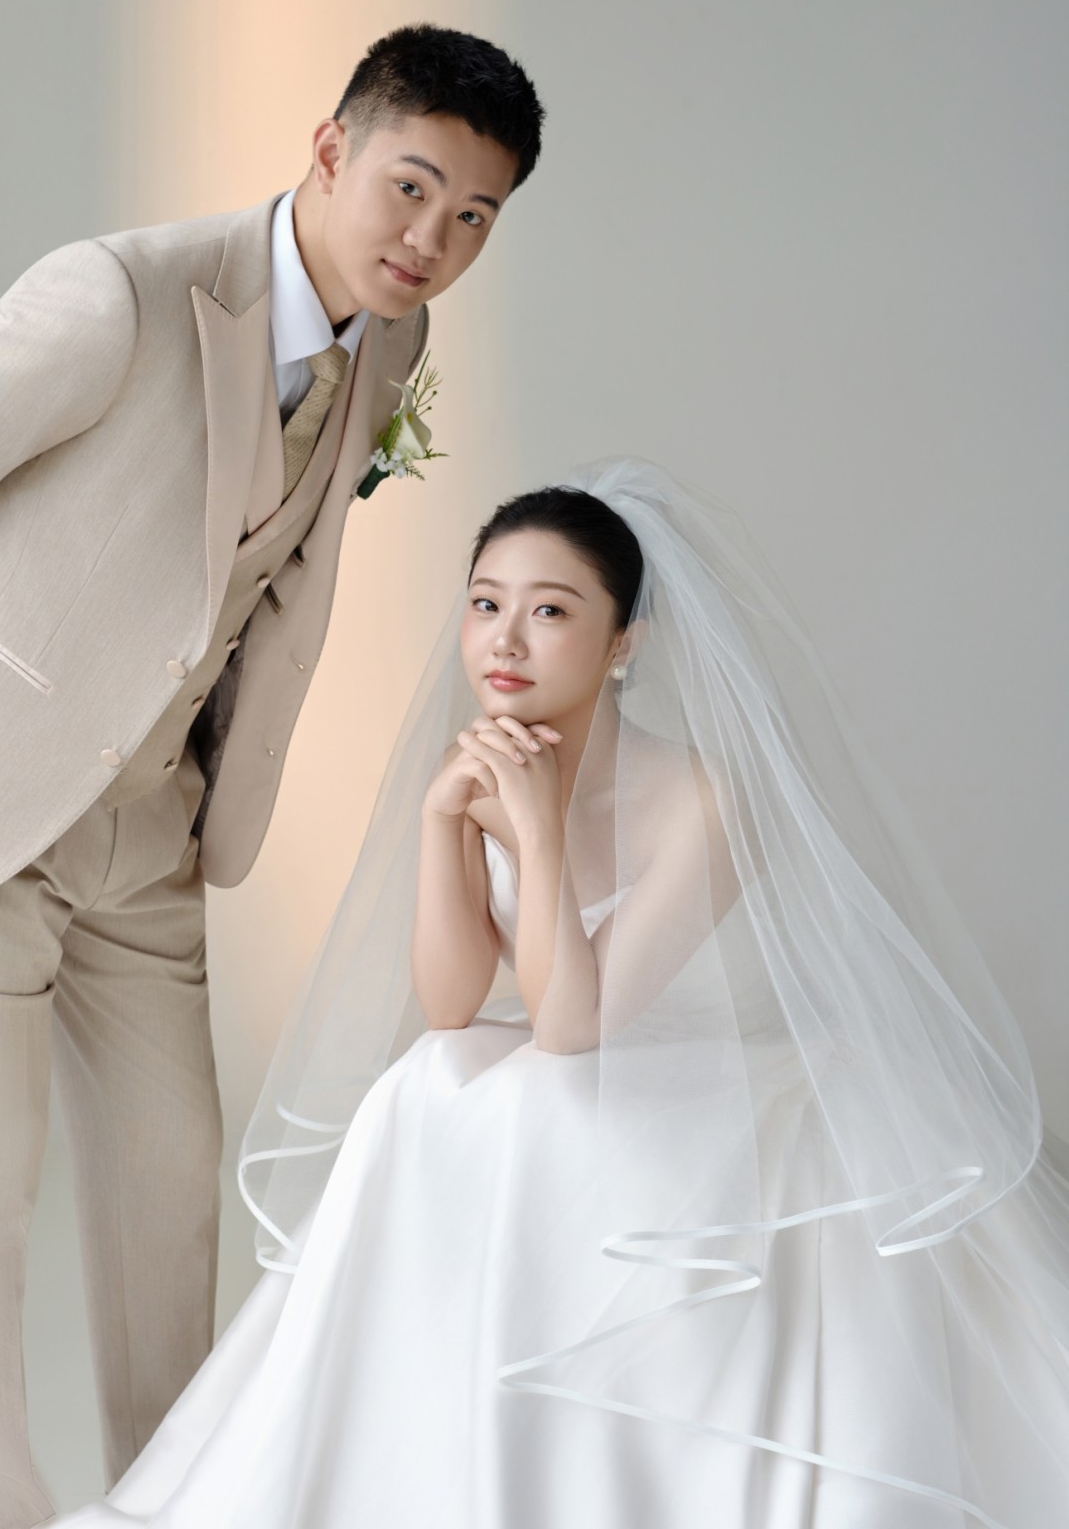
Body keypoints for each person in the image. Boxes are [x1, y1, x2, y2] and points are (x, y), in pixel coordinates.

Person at [0, 23, 545, 1529]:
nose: (431, 240)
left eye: (473, 216)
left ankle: (173, 1506)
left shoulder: (390, 349)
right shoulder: (118, 296)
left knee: (168, 1188)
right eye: (409, 188)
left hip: (152, 829)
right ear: (328, 149)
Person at [57, 457, 1069, 1529]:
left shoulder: (706, 799)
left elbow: (574, 1025)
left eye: (548, 612)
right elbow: (452, 1004)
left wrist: (537, 832)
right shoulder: (478, 770)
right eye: (484, 605)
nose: (504, 641)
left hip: (716, 1085)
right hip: (579, 1056)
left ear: (622, 642)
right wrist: (441, 822)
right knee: (426, 1079)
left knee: (531, 1100)